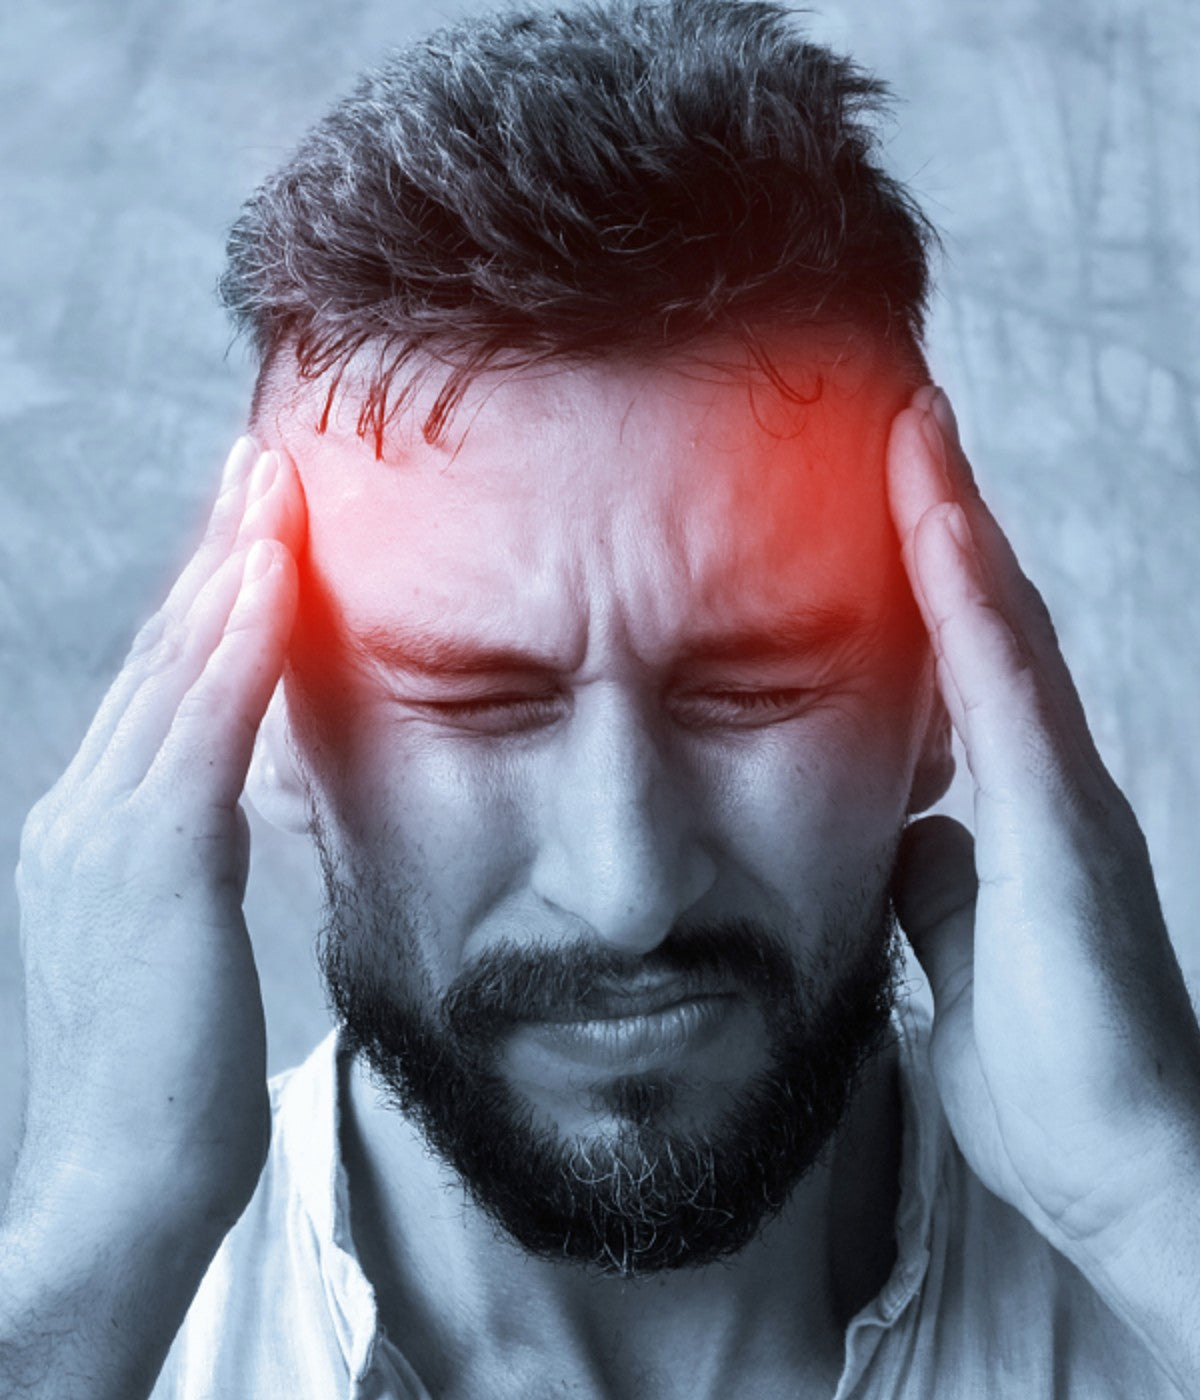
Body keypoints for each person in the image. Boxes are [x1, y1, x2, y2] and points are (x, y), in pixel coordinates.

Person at [3, 0, 1198, 1395]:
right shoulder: (108, 1333)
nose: (627, 889)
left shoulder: (1159, 1282)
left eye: (755, 686)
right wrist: (91, 1252)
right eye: (474, 700)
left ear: (946, 699)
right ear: (268, 721)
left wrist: (1151, 1197)